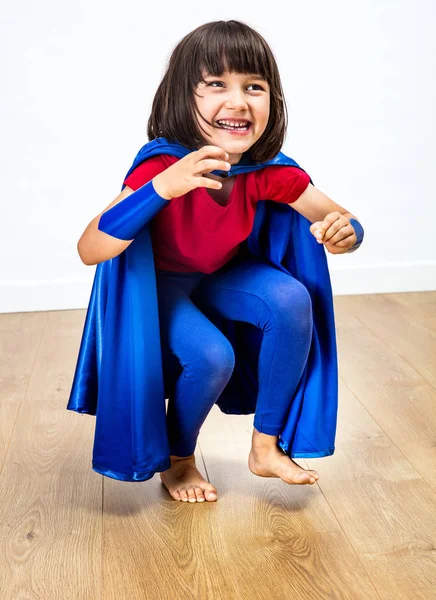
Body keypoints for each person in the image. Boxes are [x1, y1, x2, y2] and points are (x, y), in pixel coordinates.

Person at [69, 20, 364, 503]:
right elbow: (90, 249)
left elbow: (340, 218)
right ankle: (180, 460)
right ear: (183, 98)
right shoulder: (161, 166)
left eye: (254, 86)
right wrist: (163, 188)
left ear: (274, 100)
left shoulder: (265, 171)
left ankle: (265, 448)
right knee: (210, 356)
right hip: (162, 286)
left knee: (291, 298)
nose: (239, 101)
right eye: (216, 85)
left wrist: (346, 233)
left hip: (219, 276)